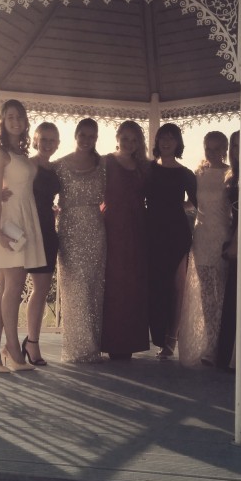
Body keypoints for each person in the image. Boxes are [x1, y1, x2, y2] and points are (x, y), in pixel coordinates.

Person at [0, 99, 45, 373]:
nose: (16, 121)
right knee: (13, 287)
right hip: (8, 223)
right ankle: (13, 349)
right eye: (10, 117)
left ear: (25, 122)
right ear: (3, 121)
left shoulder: (20, 153)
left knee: (5, 287)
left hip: (25, 219)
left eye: (20, 117)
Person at [178, 131, 232, 367]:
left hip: (221, 235)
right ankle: (210, 344)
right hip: (201, 236)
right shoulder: (198, 173)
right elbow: (192, 203)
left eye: (216, 147)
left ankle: (223, 345)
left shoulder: (231, 174)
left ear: (225, 148)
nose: (211, 152)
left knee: (221, 292)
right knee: (206, 294)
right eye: (207, 147)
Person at [55, 118, 107, 363]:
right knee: (74, 287)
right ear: (75, 135)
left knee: (94, 285)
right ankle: (77, 347)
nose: (87, 140)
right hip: (69, 229)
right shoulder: (60, 165)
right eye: (83, 135)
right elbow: (36, 183)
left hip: (96, 228)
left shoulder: (104, 164)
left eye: (92, 136)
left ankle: (93, 345)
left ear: (96, 138)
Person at [145, 123, 197, 360]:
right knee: (155, 286)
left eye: (171, 138)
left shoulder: (186, 174)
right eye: (162, 138)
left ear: (178, 143)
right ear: (156, 142)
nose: (166, 142)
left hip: (177, 234)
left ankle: (171, 342)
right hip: (152, 233)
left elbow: (198, 204)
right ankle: (155, 336)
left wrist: (176, 207)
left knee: (177, 289)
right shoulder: (147, 169)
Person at [100, 120, 150, 360]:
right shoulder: (105, 161)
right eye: (125, 138)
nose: (129, 143)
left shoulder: (144, 166)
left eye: (134, 139)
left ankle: (129, 343)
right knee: (113, 284)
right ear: (117, 137)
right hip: (111, 226)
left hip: (137, 229)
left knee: (132, 285)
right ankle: (111, 342)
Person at [22, 122, 61, 366]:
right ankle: (21, 344)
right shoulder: (28, 165)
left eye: (52, 140)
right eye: (43, 139)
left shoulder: (55, 169)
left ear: (58, 144)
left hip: (47, 230)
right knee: (13, 289)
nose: (47, 144)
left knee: (42, 288)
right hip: (28, 230)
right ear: (35, 140)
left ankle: (32, 341)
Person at [216, 130, 241, 370]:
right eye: (234, 145)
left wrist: (236, 242)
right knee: (232, 296)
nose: (237, 150)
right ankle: (227, 354)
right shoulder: (232, 176)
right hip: (234, 235)